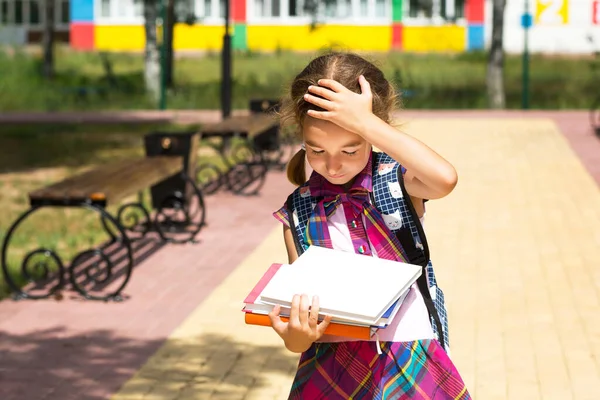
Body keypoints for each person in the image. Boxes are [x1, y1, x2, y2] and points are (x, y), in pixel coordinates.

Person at [268, 52, 471, 399]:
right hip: (331, 365)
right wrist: (295, 336)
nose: (332, 166)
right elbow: (302, 321)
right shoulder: (298, 210)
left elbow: (445, 179)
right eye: (316, 150)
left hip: (407, 352)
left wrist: (368, 123)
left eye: (350, 150)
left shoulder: (394, 180)